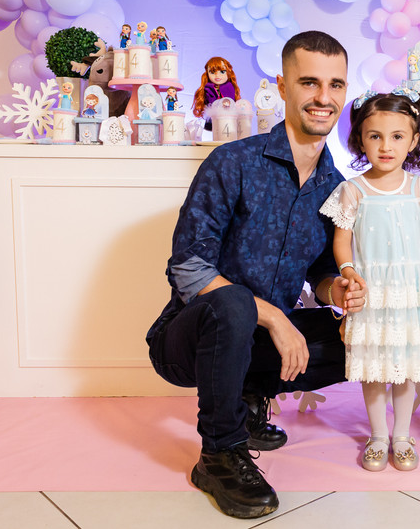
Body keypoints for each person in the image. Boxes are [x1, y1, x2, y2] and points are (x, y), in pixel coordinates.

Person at [146, 30, 365, 519]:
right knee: (234, 303)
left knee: (362, 335)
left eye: (335, 84)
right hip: (189, 342)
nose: (323, 97)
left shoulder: (336, 186)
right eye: (309, 82)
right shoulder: (233, 162)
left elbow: (321, 270)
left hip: (258, 343)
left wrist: (336, 289)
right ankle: (219, 455)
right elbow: (188, 266)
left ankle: (247, 398)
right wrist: (273, 316)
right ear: (283, 87)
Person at [319, 89, 420, 472]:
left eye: (397, 136)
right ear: (360, 139)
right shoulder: (353, 191)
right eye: (375, 136)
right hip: (372, 292)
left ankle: (402, 435)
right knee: (375, 367)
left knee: (406, 366)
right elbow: (341, 240)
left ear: (412, 141)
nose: (385, 146)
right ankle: (378, 435)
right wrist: (348, 271)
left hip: (412, 291)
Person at [193, 56, 240, 131]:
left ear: (228, 72)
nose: (217, 75)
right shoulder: (207, 88)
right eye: (212, 72)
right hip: (212, 120)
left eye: (222, 72)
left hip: (228, 118)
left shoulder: (230, 87)